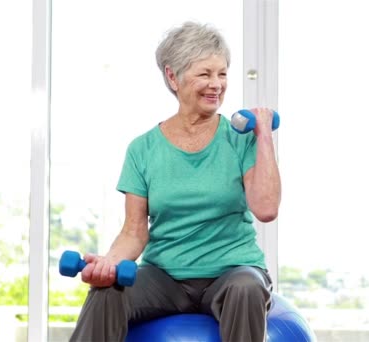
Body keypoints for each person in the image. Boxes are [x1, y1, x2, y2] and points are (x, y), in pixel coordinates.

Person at [70, 21, 281, 342]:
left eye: (222, 74)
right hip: (164, 277)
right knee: (108, 290)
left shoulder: (240, 140)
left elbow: (266, 209)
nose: (216, 85)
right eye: (205, 74)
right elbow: (134, 230)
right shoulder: (143, 149)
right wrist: (109, 264)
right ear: (173, 77)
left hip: (232, 271)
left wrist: (263, 135)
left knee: (246, 288)